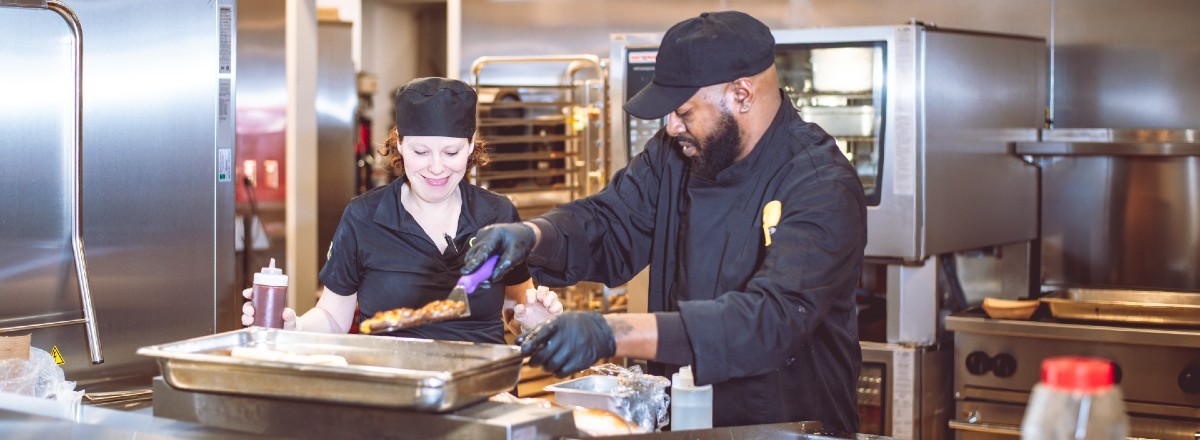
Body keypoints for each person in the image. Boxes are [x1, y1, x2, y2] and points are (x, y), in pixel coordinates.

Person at [462, 11, 866, 434]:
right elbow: (610, 222)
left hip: (785, 424)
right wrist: (532, 236)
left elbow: (770, 320)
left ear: (742, 94)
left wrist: (609, 332)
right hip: (685, 420)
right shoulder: (675, 154)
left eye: (683, 110)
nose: (671, 126)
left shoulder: (820, 183)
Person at [242, 77, 561, 343]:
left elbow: (514, 310)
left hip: (486, 395)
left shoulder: (498, 215)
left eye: (451, 152)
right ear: (400, 144)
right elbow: (332, 316)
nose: (436, 168)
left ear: (471, 144)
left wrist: (534, 321)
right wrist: (292, 328)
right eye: (421, 151)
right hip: (394, 394)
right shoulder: (364, 217)